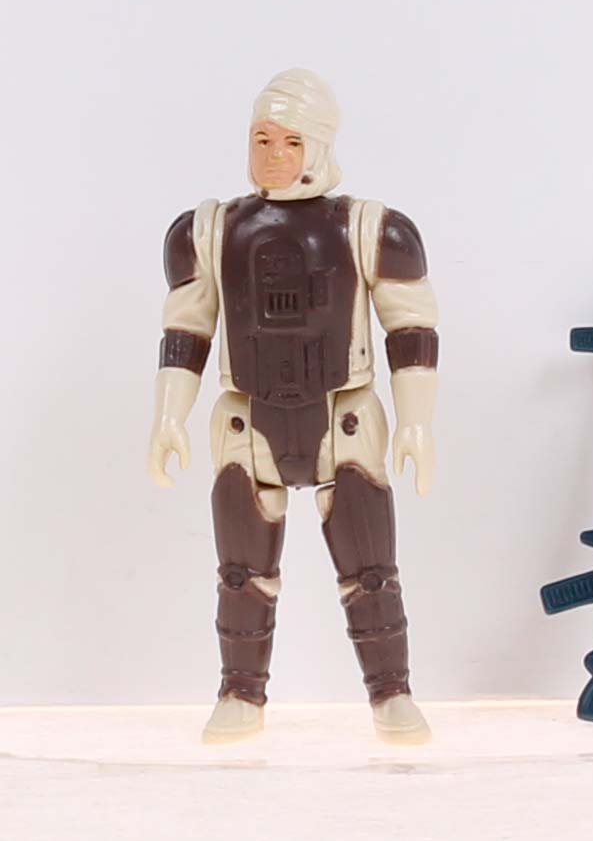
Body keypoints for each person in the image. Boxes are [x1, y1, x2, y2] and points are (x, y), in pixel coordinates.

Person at [148, 69, 439, 745]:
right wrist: (169, 415)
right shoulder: (209, 231)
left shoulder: (371, 229)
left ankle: (391, 693)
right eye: (262, 139)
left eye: (291, 141)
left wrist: (417, 420)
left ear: (320, 145)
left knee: (370, 572)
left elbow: (412, 329)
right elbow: (186, 328)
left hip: (344, 417)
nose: (274, 154)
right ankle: (240, 694)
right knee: (241, 573)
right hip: (248, 419)